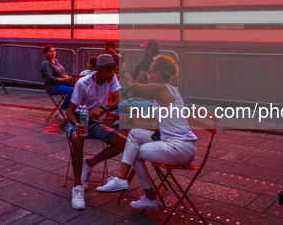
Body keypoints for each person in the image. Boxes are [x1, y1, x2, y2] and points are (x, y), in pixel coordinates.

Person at [96, 55, 197, 211]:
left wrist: (121, 65)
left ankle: (143, 194)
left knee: (134, 152)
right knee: (135, 133)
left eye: (150, 72)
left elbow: (132, 85)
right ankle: (123, 180)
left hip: (180, 148)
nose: (148, 75)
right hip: (174, 142)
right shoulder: (170, 90)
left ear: (158, 73)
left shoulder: (161, 87)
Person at [66, 54, 126, 210]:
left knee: (122, 142)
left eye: (114, 70)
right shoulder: (83, 83)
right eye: (109, 71)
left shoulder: (111, 79)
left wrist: (103, 108)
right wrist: (77, 124)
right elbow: (70, 111)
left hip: (96, 122)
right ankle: (78, 187)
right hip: (80, 120)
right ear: (99, 71)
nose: (112, 74)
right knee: (77, 138)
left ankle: (89, 164)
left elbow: (119, 101)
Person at [41, 45, 75, 112]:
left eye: (54, 51)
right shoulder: (46, 63)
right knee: (72, 91)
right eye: (50, 51)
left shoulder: (56, 61)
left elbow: (64, 72)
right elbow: (49, 78)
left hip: (64, 83)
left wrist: (67, 77)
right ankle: (62, 109)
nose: (53, 53)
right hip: (54, 87)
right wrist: (64, 79)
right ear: (46, 54)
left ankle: (73, 108)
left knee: (79, 89)